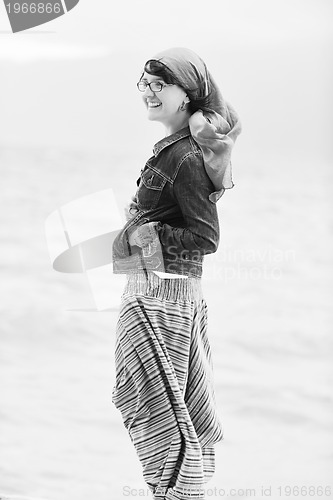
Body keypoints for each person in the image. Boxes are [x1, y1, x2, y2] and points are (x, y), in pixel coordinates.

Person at [111, 47, 241, 500]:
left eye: (159, 84)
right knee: (158, 407)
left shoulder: (185, 157)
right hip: (157, 288)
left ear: (187, 95)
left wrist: (147, 229)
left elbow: (206, 239)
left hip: (163, 297)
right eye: (144, 83)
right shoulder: (172, 150)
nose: (147, 91)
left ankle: (176, 494)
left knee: (160, 412)